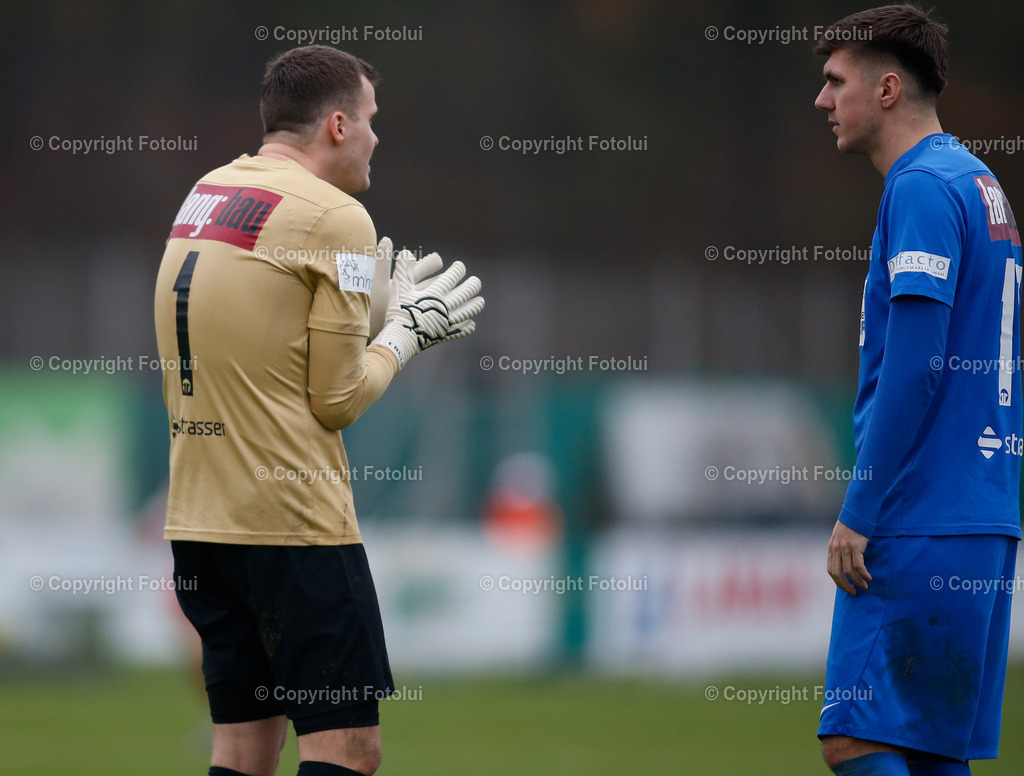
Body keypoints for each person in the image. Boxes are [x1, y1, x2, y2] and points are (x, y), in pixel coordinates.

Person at [154, 45, 484, 776]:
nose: (376, 137)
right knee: (348, 751)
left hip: (201, 523)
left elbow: (258, 339)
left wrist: (362, 314)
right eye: (370, 120)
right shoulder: (339, 218)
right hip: (293, 531)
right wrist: (406, 332)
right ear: (337, 125)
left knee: (242, 748)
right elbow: (336, 401)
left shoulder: (207, 191)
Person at [813, 6, 1022, 775]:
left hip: (918, 511)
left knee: (856, 738)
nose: (822, 100)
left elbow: (917, 363)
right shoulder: (980, 182)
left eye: (836, 81)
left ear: (889, 89)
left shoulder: (922, 188)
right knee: (929, 751)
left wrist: (860, 510)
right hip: (983, 512)